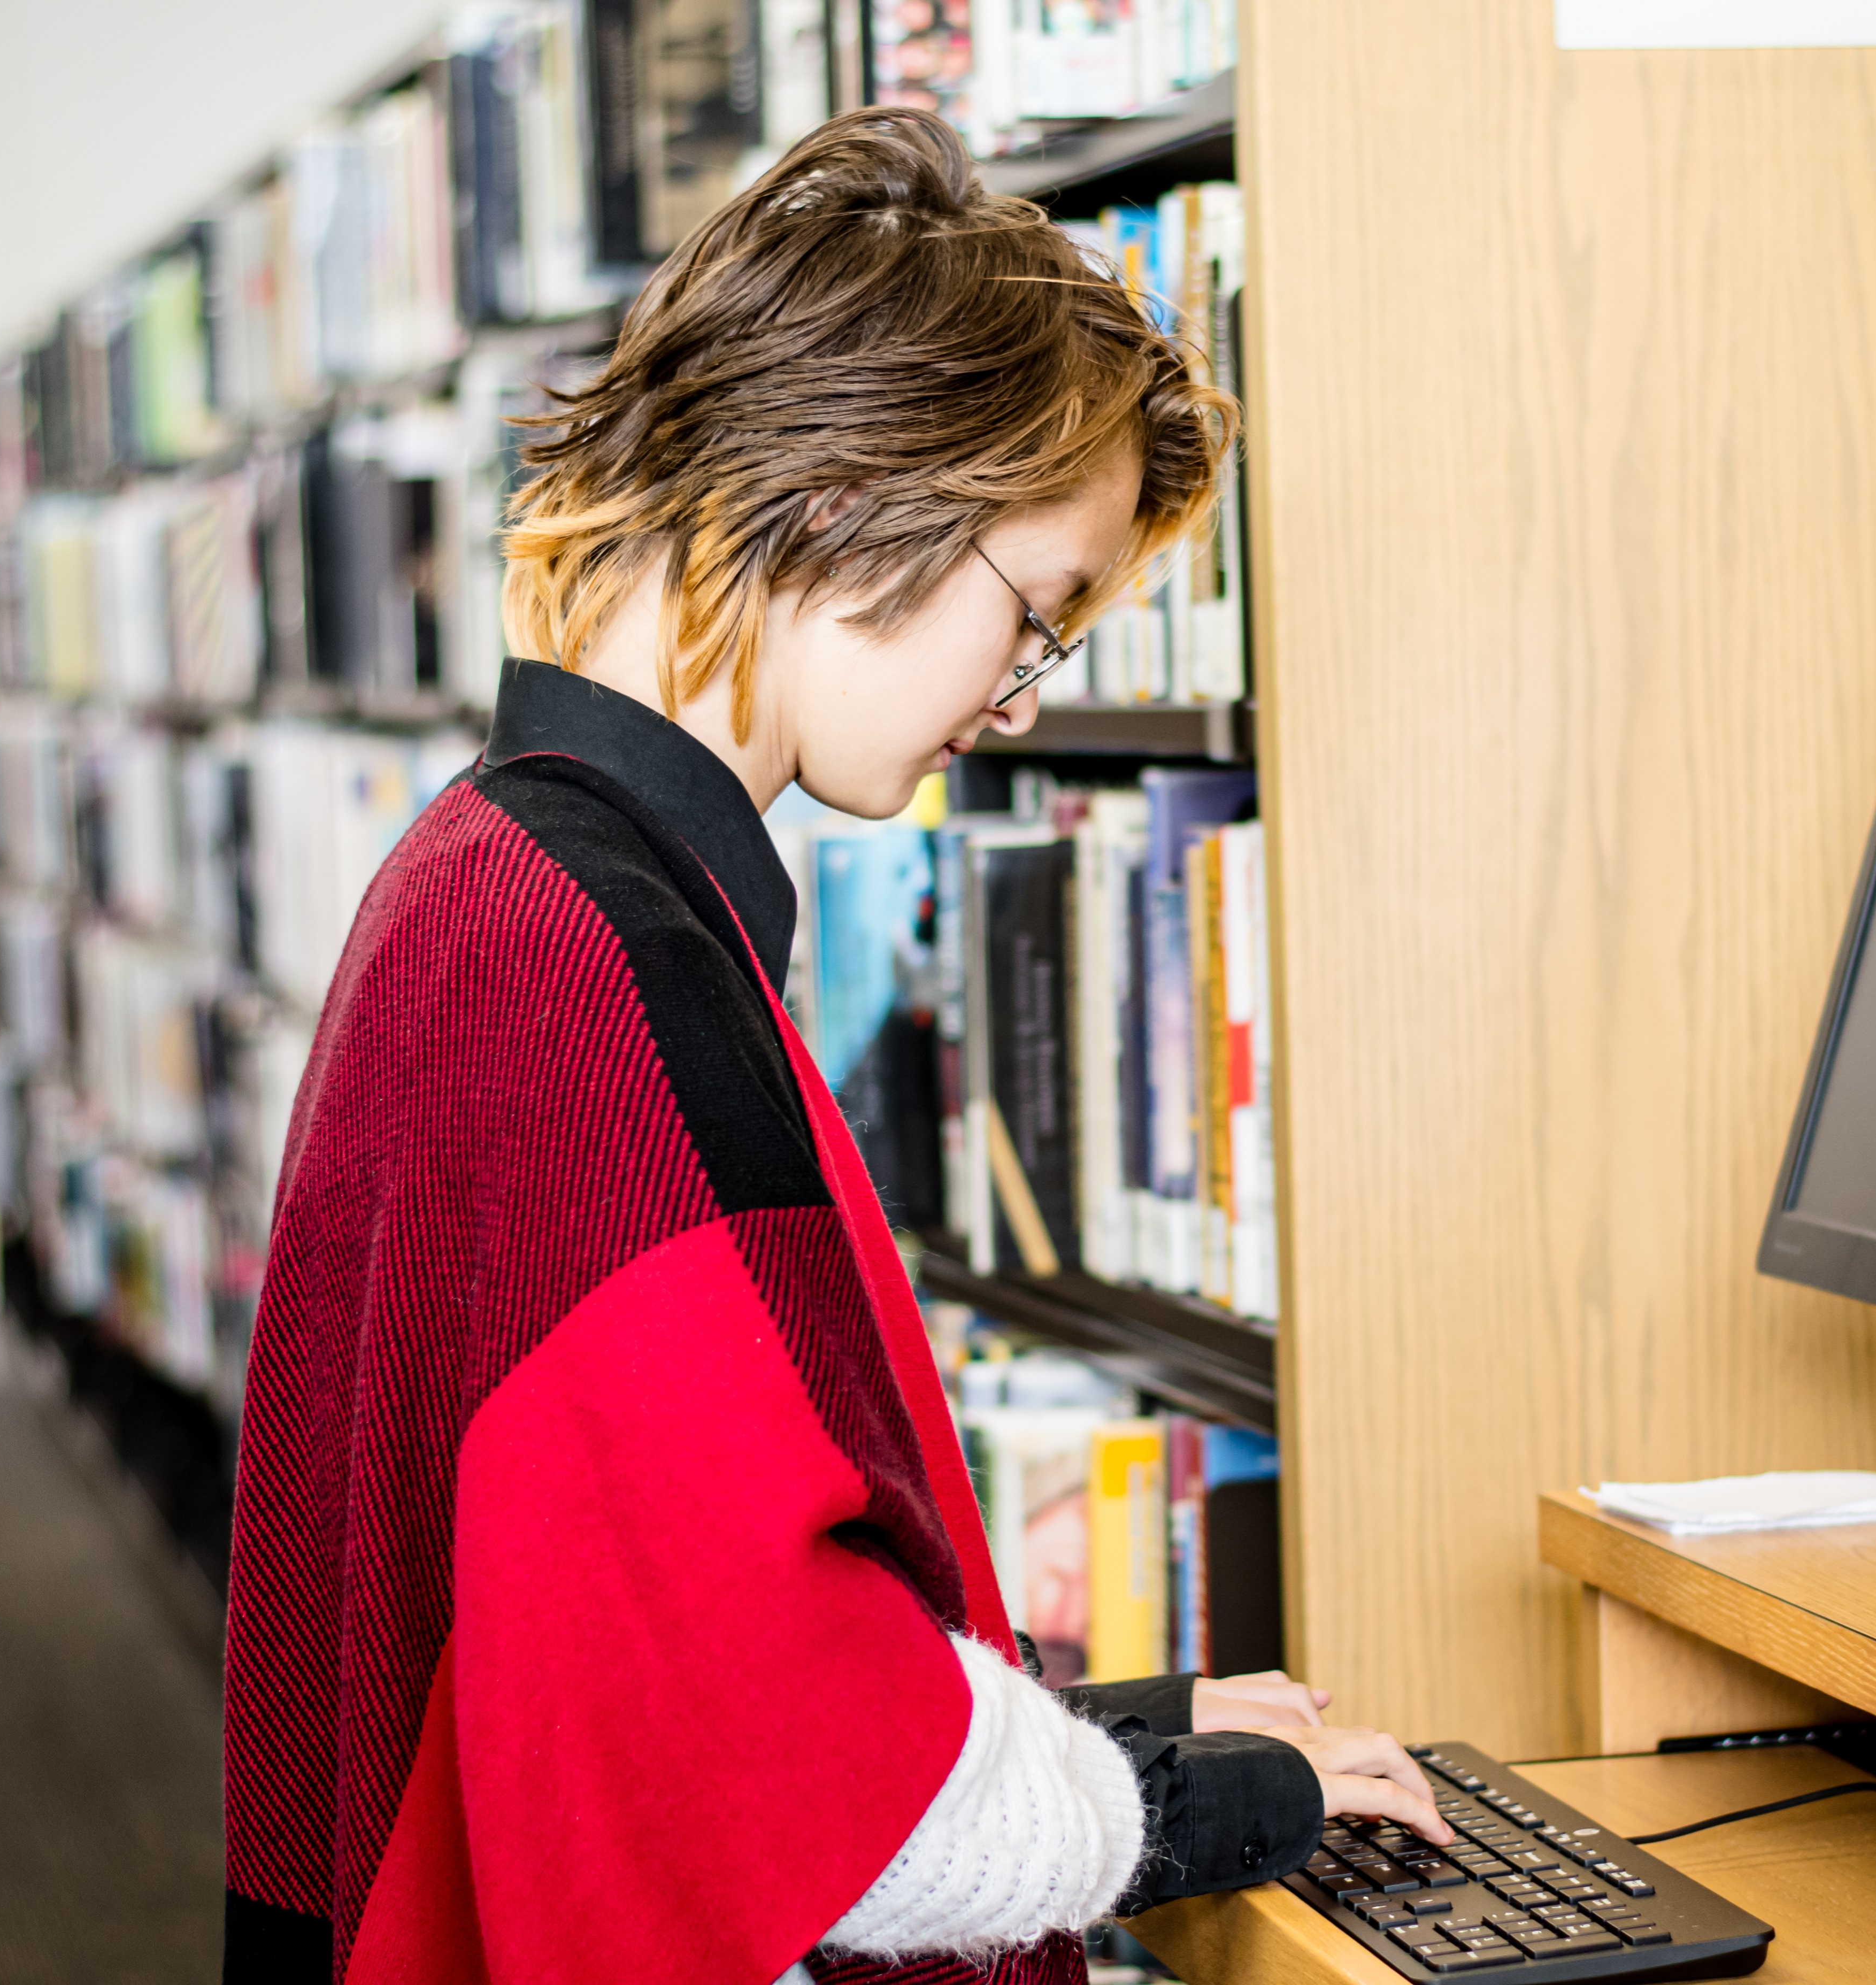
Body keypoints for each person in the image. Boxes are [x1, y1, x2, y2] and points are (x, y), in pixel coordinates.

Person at [218, 107, 1451, 1985]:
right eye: (1029, 617)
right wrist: (1217, 1808)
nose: (1016, 705)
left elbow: (659, 1649)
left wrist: (1126, 1722)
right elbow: (793, 1800)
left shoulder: (488, 876)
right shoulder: (601, 973)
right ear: (838, 500)